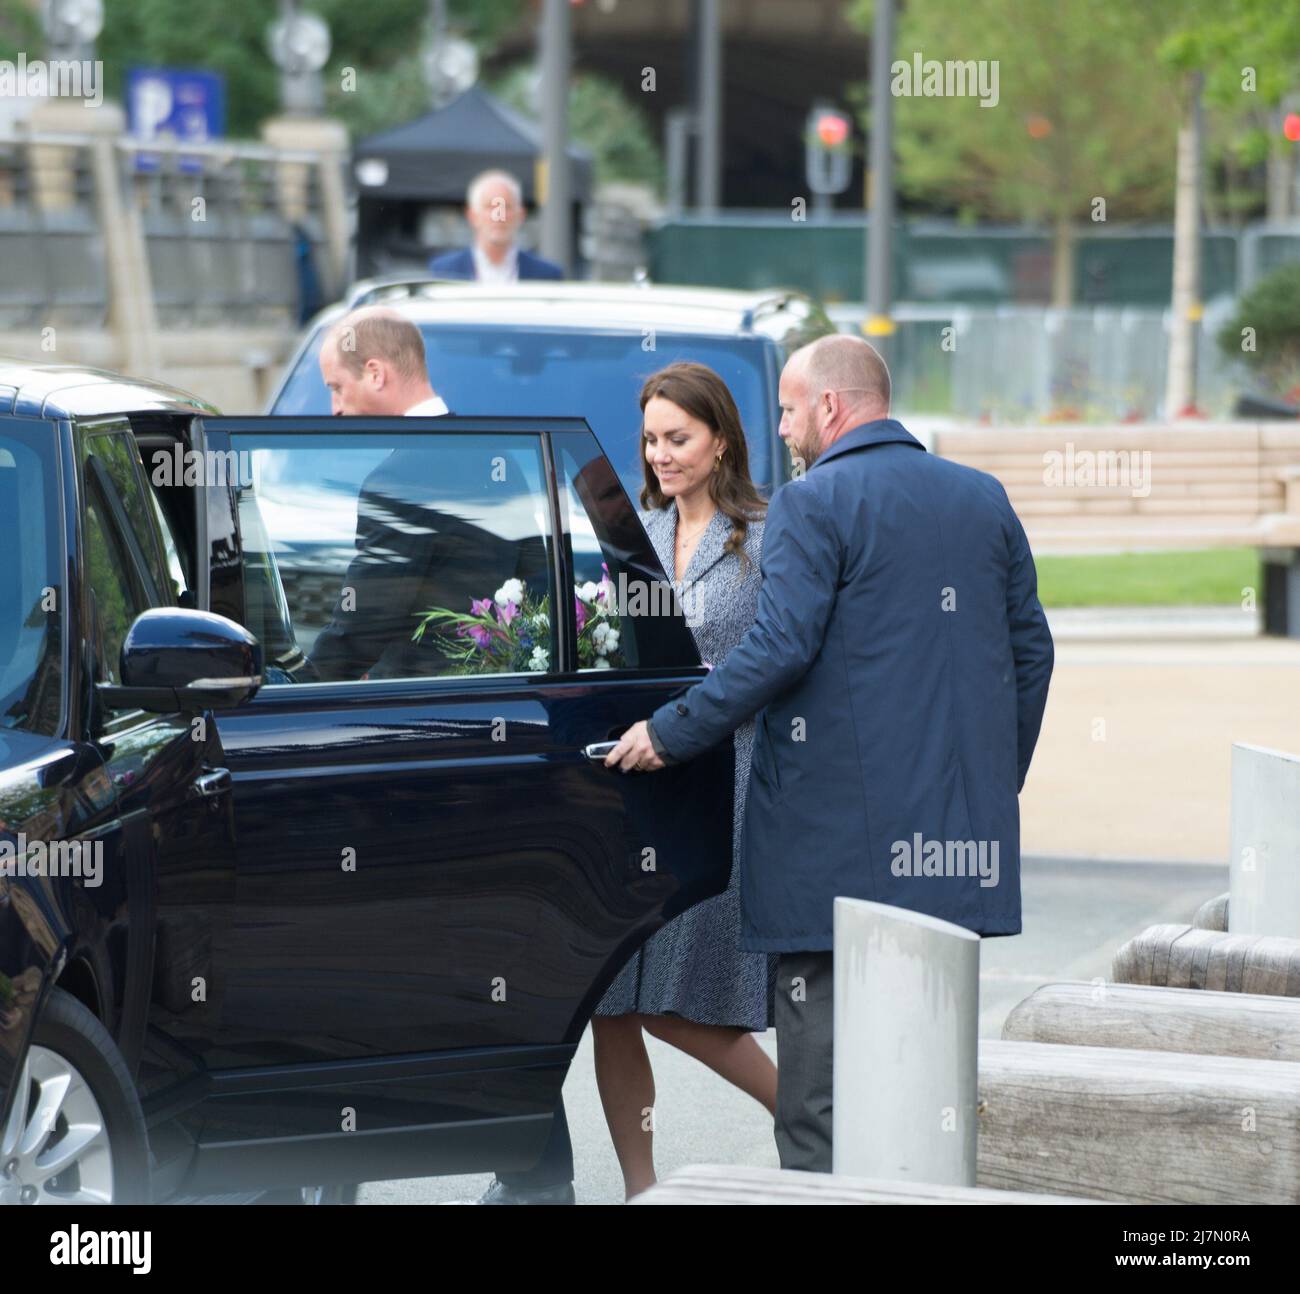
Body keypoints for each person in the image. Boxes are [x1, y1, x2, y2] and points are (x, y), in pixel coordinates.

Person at [605, 334, 1055, 1173]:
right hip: (954, 850)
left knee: (818, 1103)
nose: (783, 426)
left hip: (832, 856)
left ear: (831, 407)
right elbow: (1031, 654)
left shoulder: (813, 504)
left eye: (787, 407)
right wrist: (994, 782)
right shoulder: (982, 497)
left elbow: (779, 648)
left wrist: (671, 732)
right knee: (927, 1077)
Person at [588, 362, 777, 1202]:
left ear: (721, 442)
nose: (661, 455)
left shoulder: (768, 533)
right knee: (611, 1000)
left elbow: (779, 659)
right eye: (651, 440)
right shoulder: (637, 536)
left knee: (681, 999)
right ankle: (640, 1189)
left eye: (679, 438)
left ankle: (816, 1120)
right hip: (638, 787)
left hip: (726, 784)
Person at [428, 170, 564, 283]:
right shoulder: (443, 272)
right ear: (472, 215)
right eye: (490, 206)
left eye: (507, 206)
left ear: (521, 215)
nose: (499, 216)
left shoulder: (547, 275)